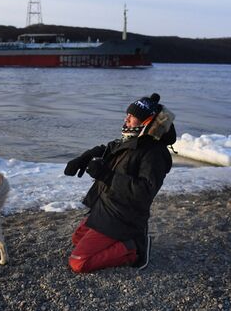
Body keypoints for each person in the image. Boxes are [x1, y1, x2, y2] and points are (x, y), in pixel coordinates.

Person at [64, 93, 176, 273]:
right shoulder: (133, 138)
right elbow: (110, 148)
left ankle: (134, 248)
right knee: (77, 238)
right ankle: (123, 240)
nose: (126, 119)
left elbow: (145, 190)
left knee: (78, 262)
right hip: (107, 206)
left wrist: (105, 175)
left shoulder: (154, 153)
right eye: (128, 115)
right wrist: (84, 157)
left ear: (146, 121)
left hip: (125, 215)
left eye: (131, 117)